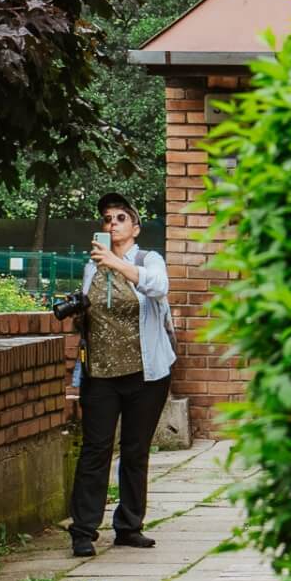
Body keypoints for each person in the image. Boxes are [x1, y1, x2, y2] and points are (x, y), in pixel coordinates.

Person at [67, 192, 176, 557]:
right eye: (106, 219)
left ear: (135, 227)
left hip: (146, 375)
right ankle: (82, 531)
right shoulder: (91, 266)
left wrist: (116, 263)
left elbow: (158, 287)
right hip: (101, 374)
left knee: (134, 450)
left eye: (119, 218)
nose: (111, 224)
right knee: (95, 450)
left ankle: (129, 526)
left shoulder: (148, 260)